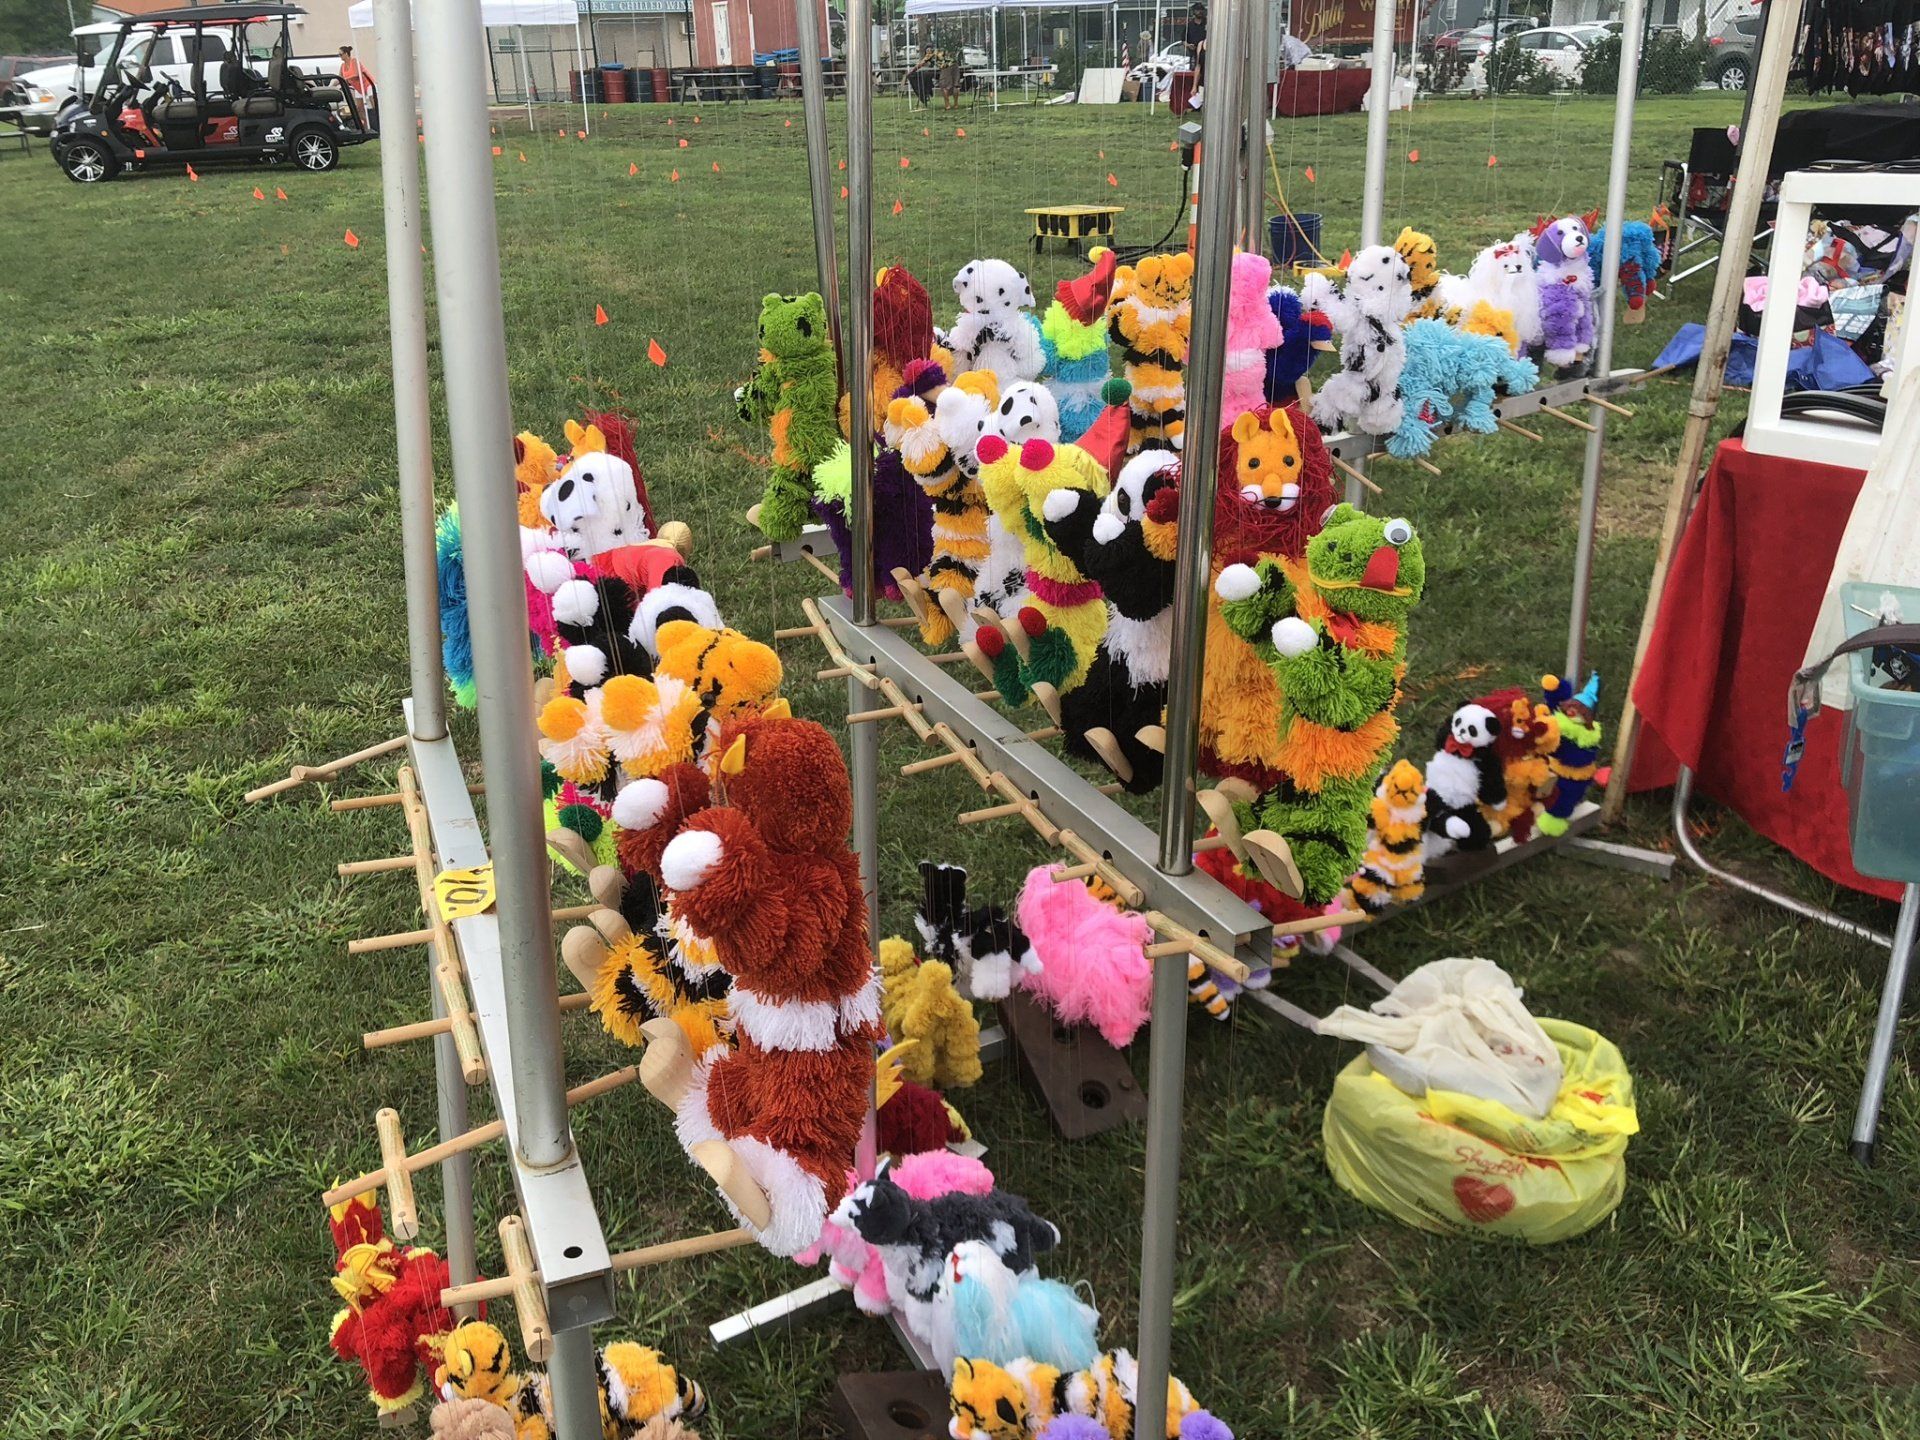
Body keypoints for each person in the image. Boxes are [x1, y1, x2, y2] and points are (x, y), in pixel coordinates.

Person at [339, 44, 378, 134]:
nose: (340, 57)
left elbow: (356, 74)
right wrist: (331, 84)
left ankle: (379, 123)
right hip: (358, 87)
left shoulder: (354, 62)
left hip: (367, 84)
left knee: (374, 104)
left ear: (346, 54)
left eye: (341, 54)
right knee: (359, 108)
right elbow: (340, 77)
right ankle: (366, 127)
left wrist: (346, 79)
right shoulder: (343, 66)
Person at [1183, 2, 1206, 107]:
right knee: (1196, 69)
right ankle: (1194, 101)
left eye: (1201, 10)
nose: (1199, 12)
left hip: (1206, 49)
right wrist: (1188, 45)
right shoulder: (1189, 25)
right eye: (1197, 10)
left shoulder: (1206, 23)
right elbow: (1183, 39)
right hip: (1195, 51)